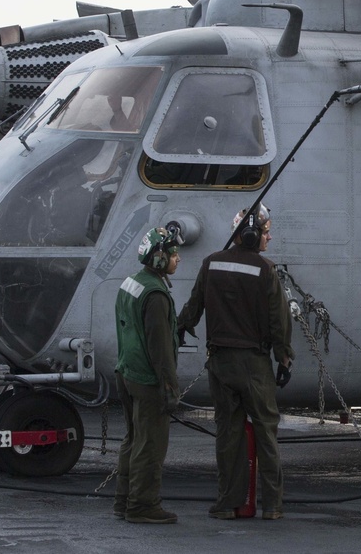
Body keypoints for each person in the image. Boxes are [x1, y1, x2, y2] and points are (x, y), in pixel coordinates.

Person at [177, 204, 294, 521]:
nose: (268, 239)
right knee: (266, 433)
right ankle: (272, 505)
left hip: (221, 363)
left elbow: (192, 309)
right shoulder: (266, 270)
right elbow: (279, 322)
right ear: (253, 235)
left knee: (228, 434)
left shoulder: (210, 264)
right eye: (266, 233)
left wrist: (177, 331)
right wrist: (284, 358)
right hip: (255, 365)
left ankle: (228, 503)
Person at [113, 223, 183, 524]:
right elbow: (160, 348)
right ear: (158, 259)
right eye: (173, 254)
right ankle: (142, 506)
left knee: (133, 439)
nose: (177, 259)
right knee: (150, 444)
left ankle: (123, 501)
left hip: (126, 371)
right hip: (147, 379)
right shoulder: (156, 295)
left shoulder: (130, 282)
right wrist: (169, 386)